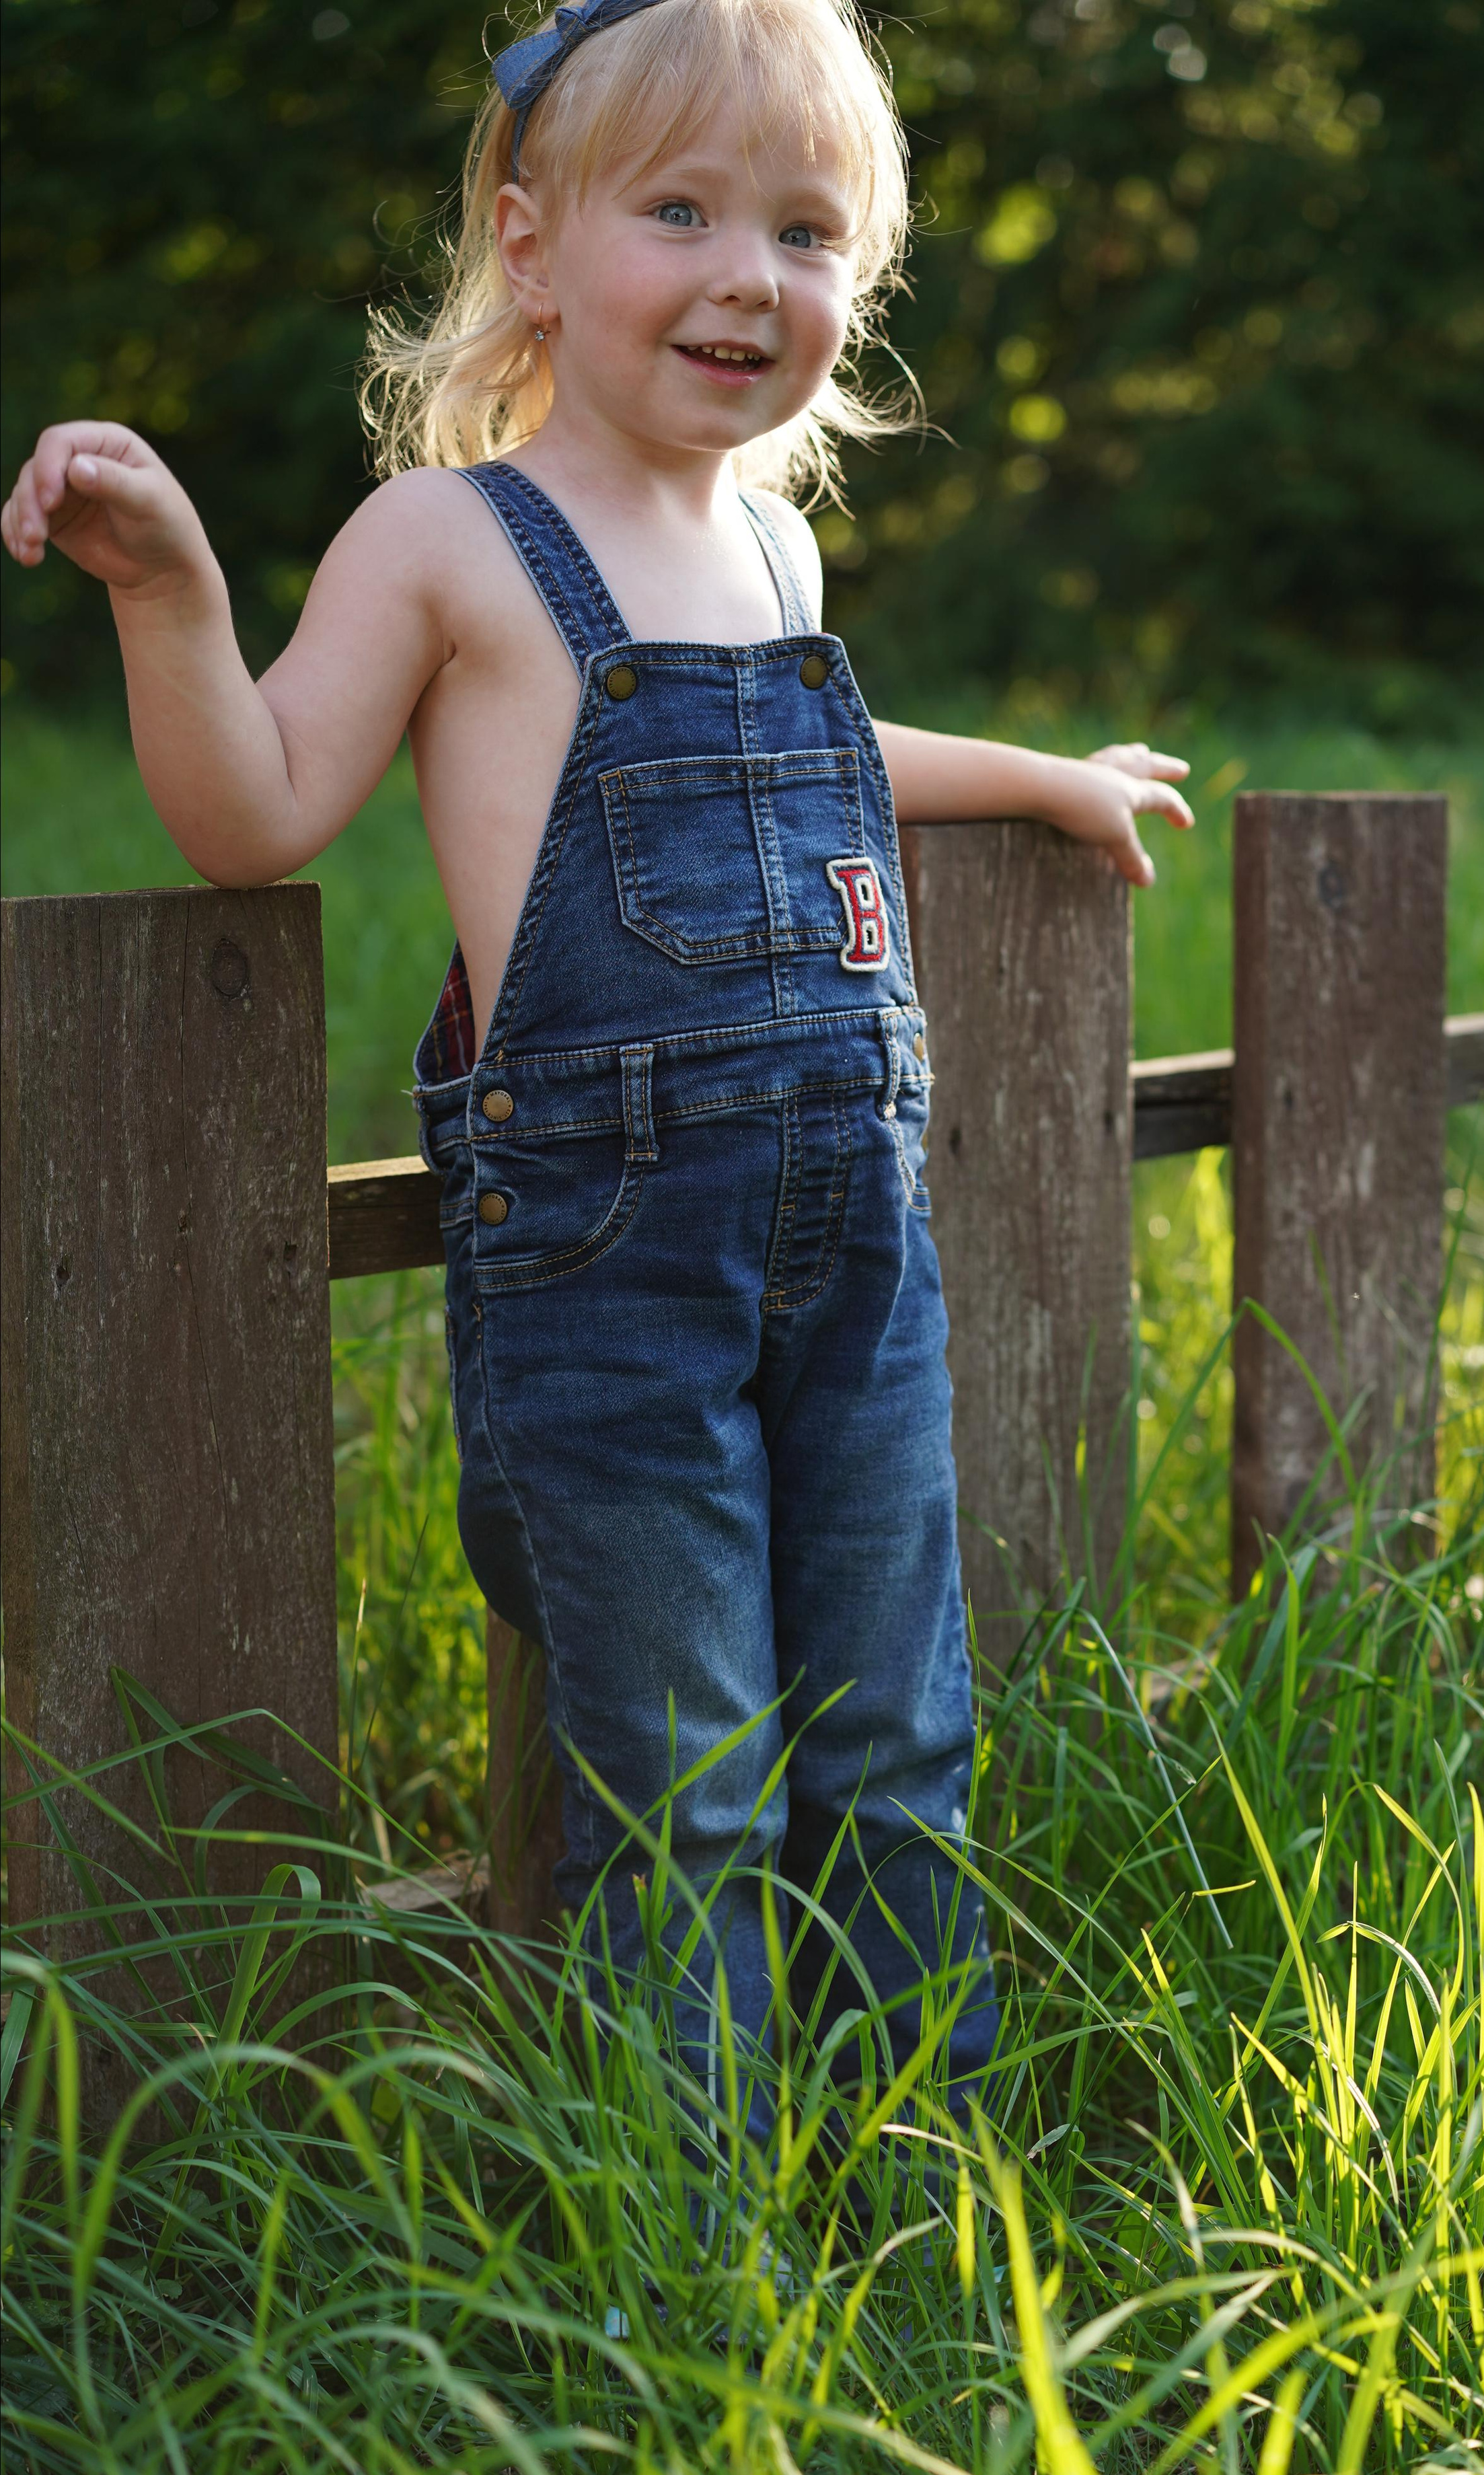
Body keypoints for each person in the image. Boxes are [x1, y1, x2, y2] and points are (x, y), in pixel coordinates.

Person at [2, 0, 1191, 2137]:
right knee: (689, 1785)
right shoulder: (447, 539)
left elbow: (829, 747)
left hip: (855, 1248)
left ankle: (921, 2179)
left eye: (806, 232)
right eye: (684, 213)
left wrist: (1045, 777)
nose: (752, 274)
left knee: (896, 1740)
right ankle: (696, 2236)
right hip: (609, 1268)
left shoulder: (775, 546)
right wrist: (173, 591)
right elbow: (256, 811)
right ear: (533, 246)